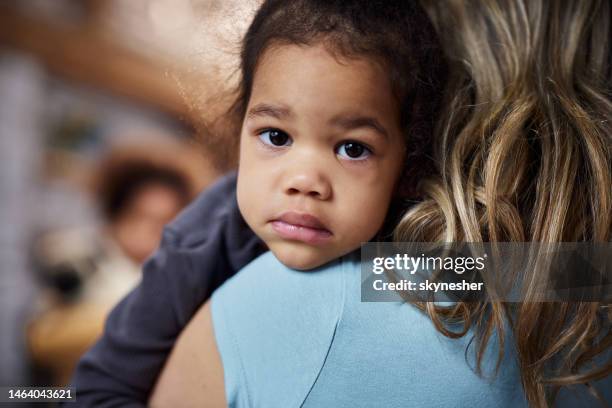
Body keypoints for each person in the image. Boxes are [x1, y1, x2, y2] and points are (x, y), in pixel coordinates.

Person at [71, 1, 611, 407]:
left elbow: (543, 276)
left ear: (407, 169)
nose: (305, 180)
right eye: (275, 136)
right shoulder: (198, 241)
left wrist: (582, 275)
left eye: (352, 148)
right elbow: (97, 388)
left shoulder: (405, 250)